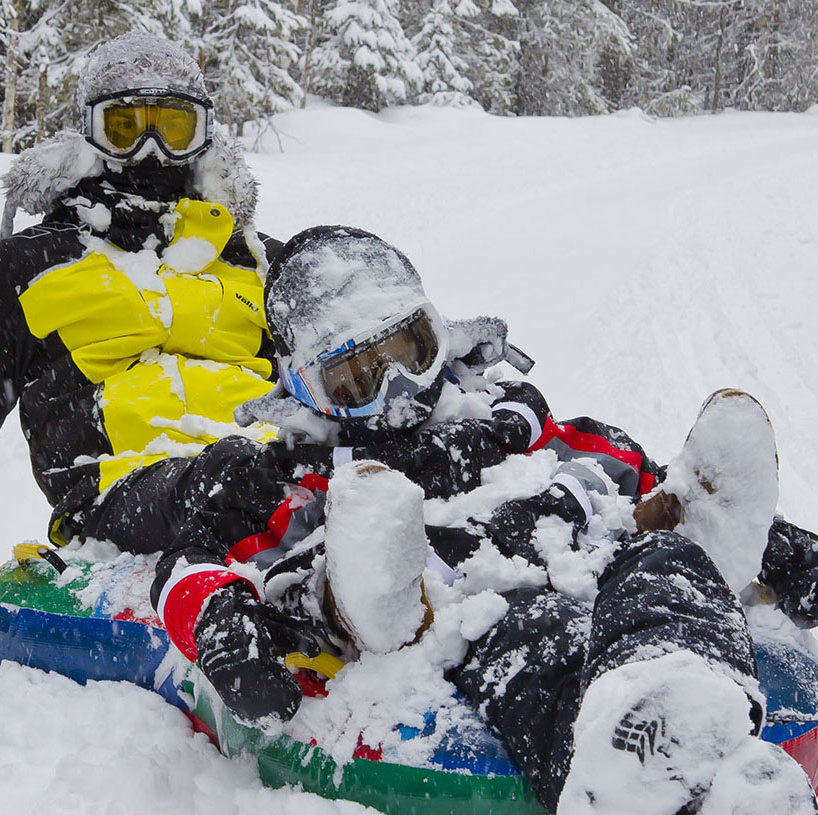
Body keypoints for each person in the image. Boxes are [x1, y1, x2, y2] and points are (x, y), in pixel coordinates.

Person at [131, 226, 818, 814]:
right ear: (303, 390)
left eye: (405, 354)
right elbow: (187, 562)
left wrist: (775, 550)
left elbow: (631, 472)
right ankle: (367, 600)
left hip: (596, 561)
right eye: (354, 379)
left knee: (669, 564)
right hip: (463, 612)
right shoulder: (291, 481)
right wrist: (219, 623)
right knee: (533, 634)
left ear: (437, 335)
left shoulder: (512, 426)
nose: (393, 391)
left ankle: (709, 739)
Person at [0, 32, 282, 654]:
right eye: (126, 127)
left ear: (204, 140)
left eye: (173, 128)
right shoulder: (25, 269)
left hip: (277, 471)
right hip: (121, 493)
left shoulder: (256, 263)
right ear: (91, 138)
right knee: (243, 479)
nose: (151, 150)